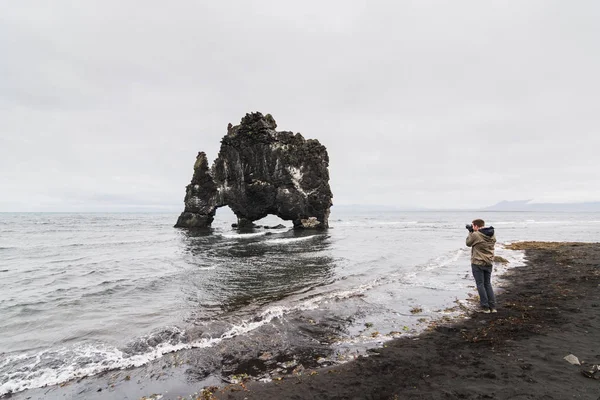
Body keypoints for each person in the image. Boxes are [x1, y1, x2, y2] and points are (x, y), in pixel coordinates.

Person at [466, 219, 497, 313]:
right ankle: (493, 307)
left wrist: (471, 232)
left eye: (473, 225)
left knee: (480, 284)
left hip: (477, 262)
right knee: (487, 284)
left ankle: (485, 307)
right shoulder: (492, 234)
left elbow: (468, 243)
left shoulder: (476, 234)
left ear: (476, 226)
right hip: (489, 262)